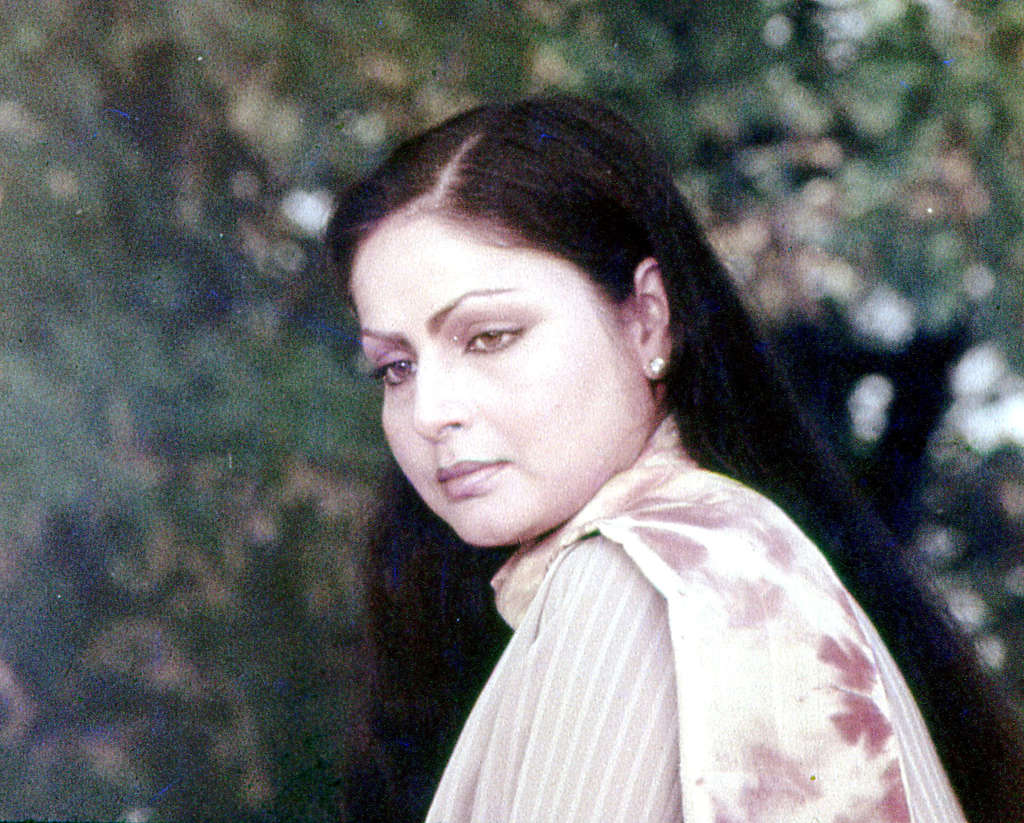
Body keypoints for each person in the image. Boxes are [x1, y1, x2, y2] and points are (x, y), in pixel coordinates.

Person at [324, 96, 1024, 823]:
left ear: (648, 319)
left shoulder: (635, 575)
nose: (429, 411)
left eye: (490, 336)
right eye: (396, 368)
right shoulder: (728, 558)